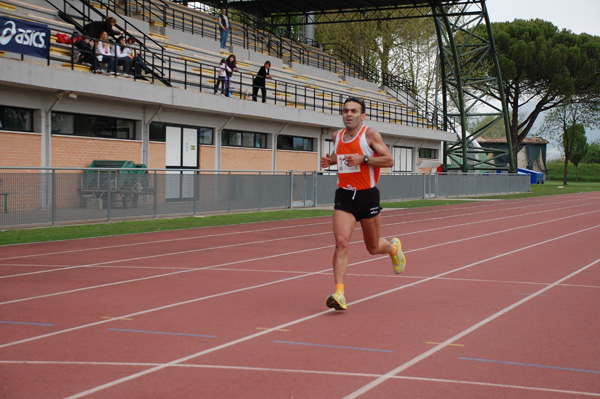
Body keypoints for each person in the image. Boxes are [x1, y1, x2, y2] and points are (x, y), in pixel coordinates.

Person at [319, 97, 406, 311]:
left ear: (362, 115)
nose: (349, 114)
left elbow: (389, 160)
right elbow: (338, 154)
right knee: (341, 243)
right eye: (346, 110)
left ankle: (394, 249)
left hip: (367, 196)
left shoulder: (370, 135)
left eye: (354, 111)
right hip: (345, 196)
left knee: (373, 247)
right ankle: (339, 293)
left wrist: (364, 159)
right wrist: (330, 161)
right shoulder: (336, 136)